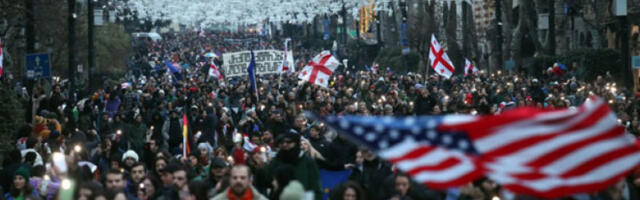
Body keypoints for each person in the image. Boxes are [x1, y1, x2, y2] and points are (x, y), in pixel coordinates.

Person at [267, 133, 322, 200]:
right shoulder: (278, 159)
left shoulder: (307, 161)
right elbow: (267, 177)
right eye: (282, 142)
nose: (285, 144)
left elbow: (316, 186)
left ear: (296, 143)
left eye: (288, 142)